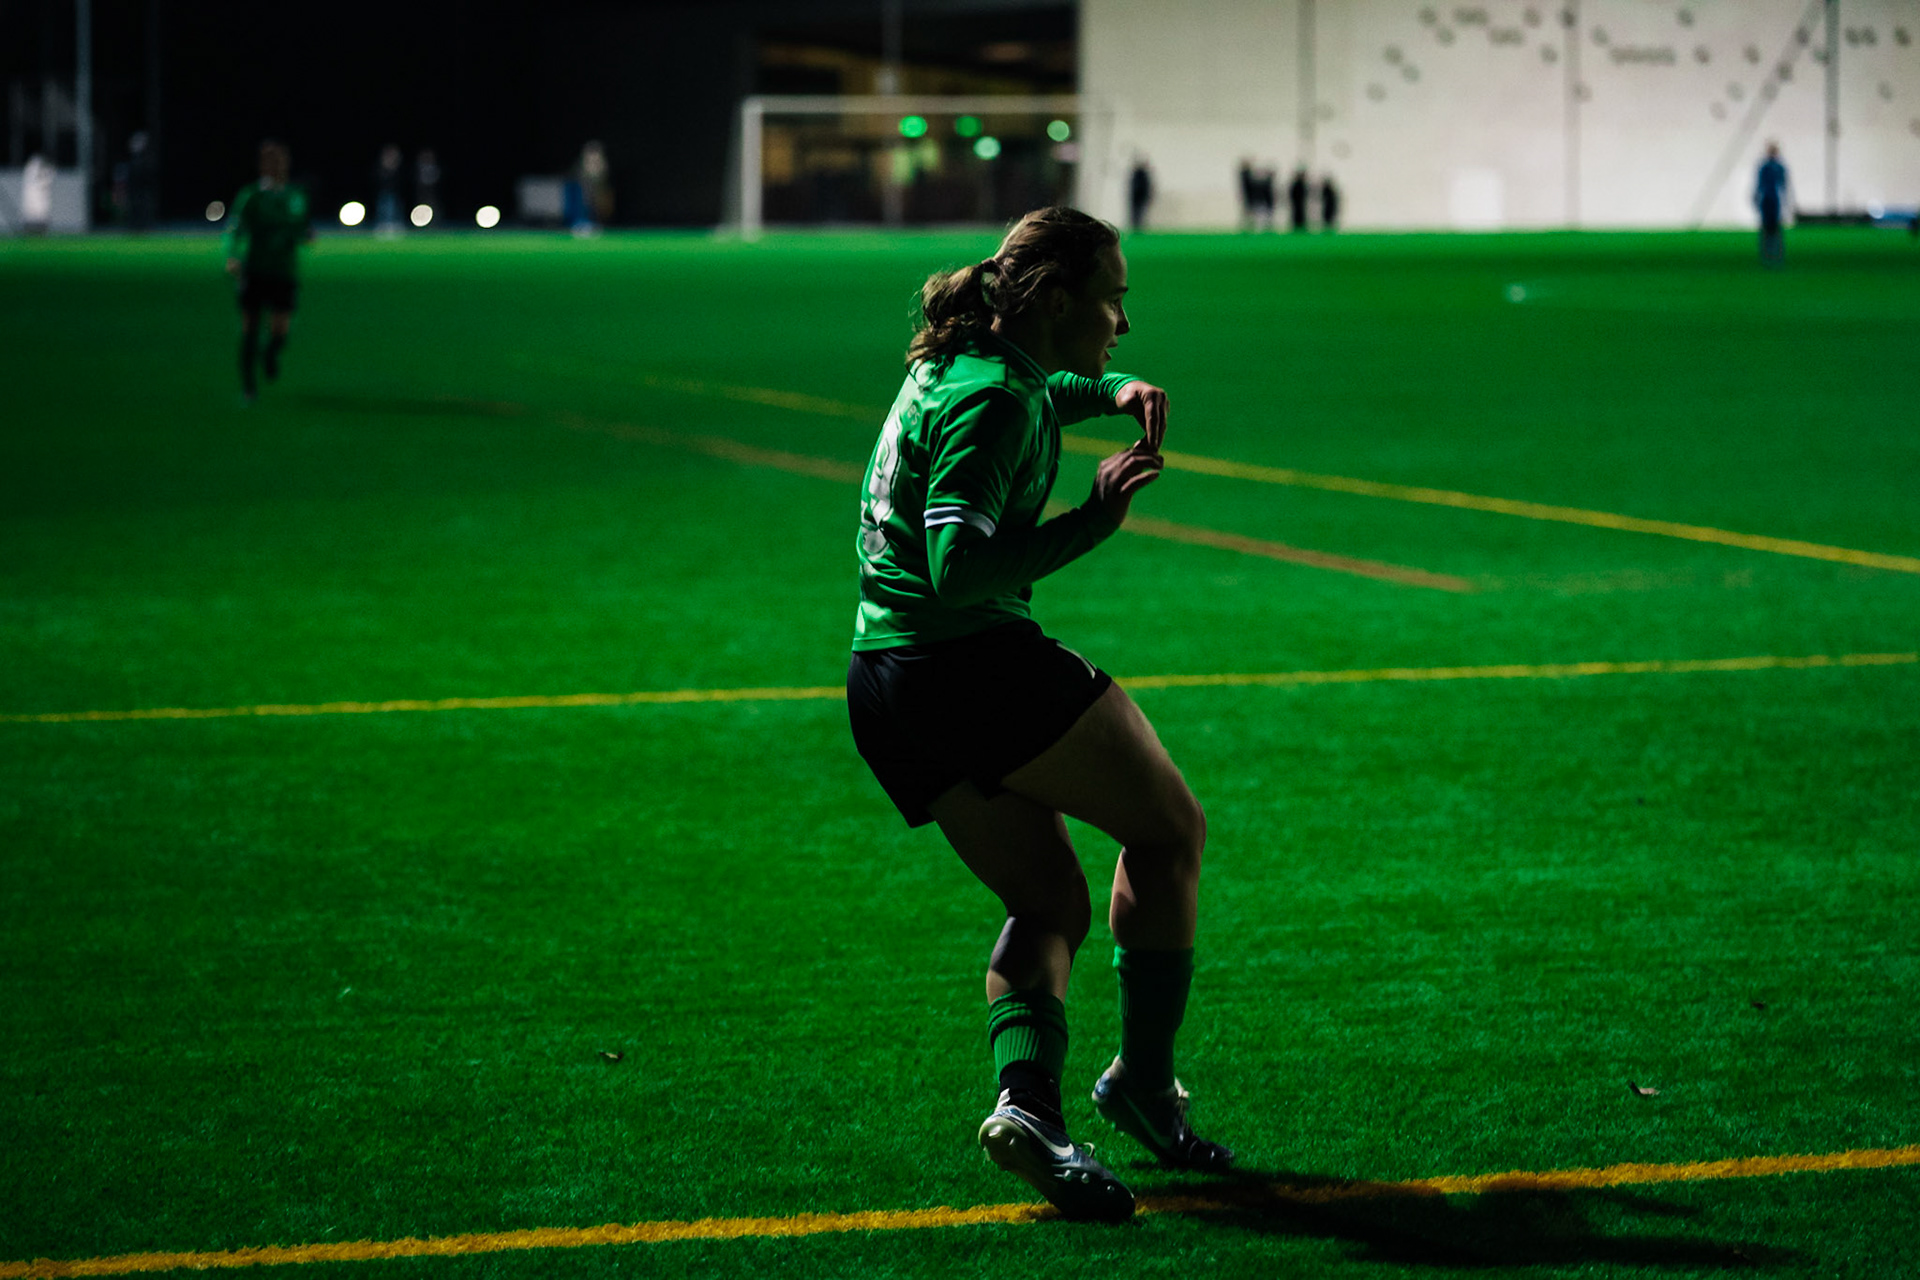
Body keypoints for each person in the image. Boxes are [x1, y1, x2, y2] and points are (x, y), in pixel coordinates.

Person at [846, 207, 1234, 1223]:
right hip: (968, 665)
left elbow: (1035, 385)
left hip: (886, 679)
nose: (1124, 321)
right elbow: (959, 566)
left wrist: (1109, 390)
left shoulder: (970, 358)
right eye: (1114, 299)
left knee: (1051, 901)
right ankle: (1144, 1084)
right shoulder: (993, 404)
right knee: (1169, 829)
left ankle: (1031, 1111)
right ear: (1058, 298)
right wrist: (1092, 522)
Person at [223, 139, 313, 403]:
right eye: (272, 162)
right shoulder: (251, 196)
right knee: (250, 327)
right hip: (255, 270)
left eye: (281, 162)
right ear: (263, 166)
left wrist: (305, 235)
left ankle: (271, 353)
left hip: (284, 271)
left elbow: (301, 228)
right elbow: (234, 230)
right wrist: (231, 257)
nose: (277, 167)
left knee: (280, 332)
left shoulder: (295, 196)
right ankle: (249, 387)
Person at [1754, 142, 1791, 267]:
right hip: (1767, 200)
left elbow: (1784, 185)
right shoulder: (1765, 167)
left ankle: (1776, 254)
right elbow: (1759, 184)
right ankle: (1767, 254)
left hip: (1775, 200)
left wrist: (1786, 202)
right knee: (1766, 227)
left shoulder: (1778, 167)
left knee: (1775, 227)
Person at [1127, 156, 1153, 232]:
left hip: (1140, 198)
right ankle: (1136, 229)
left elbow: (1146, 187)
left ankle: (1139, 229)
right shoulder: (1138, 174)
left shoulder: (1142, 175)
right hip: (1137, 198)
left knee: (1140, 215)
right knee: (1136, 215)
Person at [1287, 166, 1311, 232]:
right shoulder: (1298, 185)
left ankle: (1300, 228)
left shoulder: (1300, 184)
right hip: (1297, 203)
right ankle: (1297, 228)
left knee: (1300, 215)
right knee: (1298, 215)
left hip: (1299, 203)